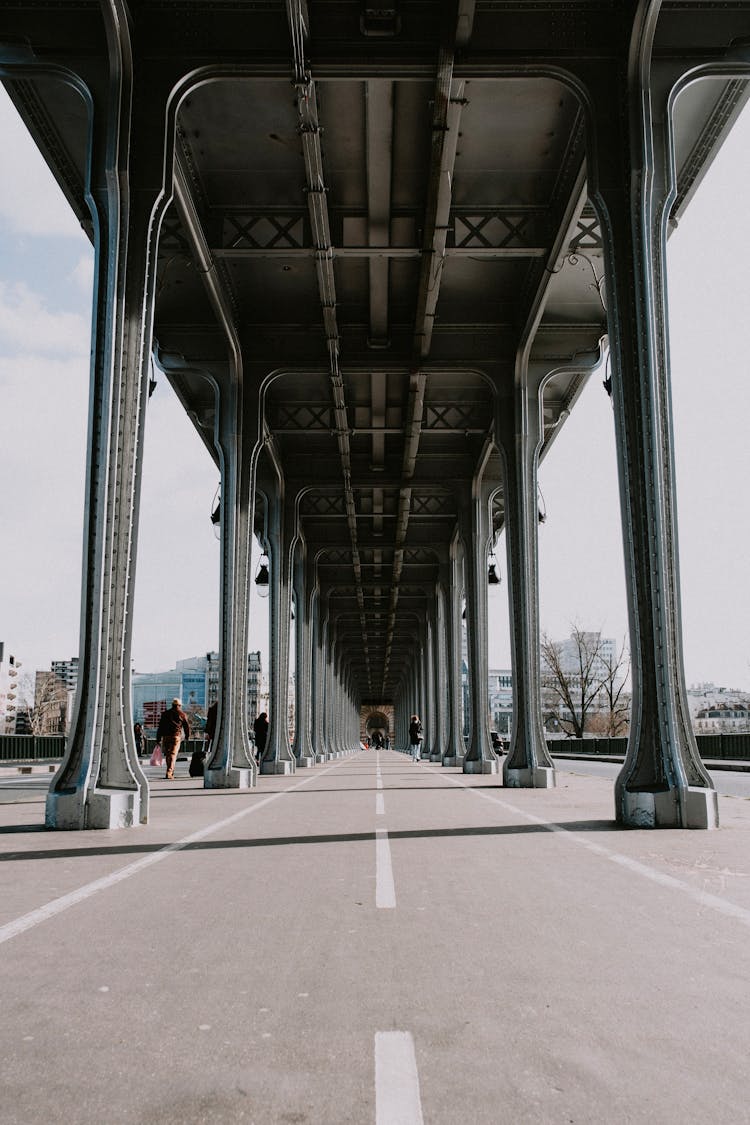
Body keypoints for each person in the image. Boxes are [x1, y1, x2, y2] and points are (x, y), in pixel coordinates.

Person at [155, 698, 190, 780]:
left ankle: (169, 771)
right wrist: (187, 736)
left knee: (168, 754)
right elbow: (187, 727)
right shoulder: (182, 714)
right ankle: (169, 772)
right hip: (176, 736)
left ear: (172, 705)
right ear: (179, 705)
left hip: (165, 737)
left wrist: (158, 739)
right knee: (173, 754)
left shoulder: (165, 714)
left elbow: (160, 727)